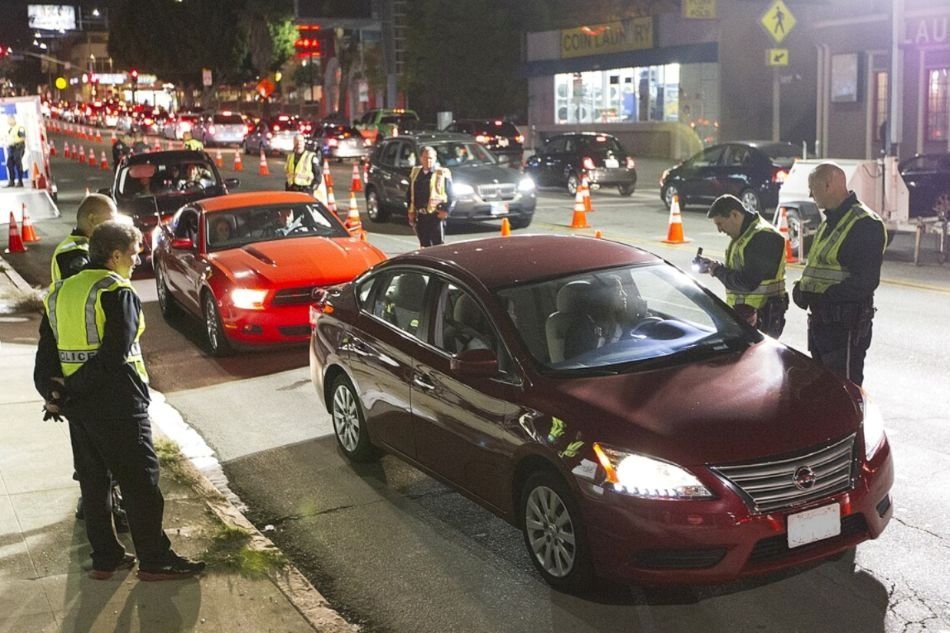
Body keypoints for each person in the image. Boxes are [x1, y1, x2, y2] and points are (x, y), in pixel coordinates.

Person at [34, 221, 205, 581]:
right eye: (134, 251)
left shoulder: (60, 291)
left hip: (79, 410)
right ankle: (155, 559)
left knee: (94, 483)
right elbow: (115, 353)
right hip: (118, 403)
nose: (137, 257)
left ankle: (106, 556)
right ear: (115, 255)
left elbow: (46, 354)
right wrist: (75, 387)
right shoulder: (115, 290)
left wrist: (55, 393)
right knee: (140, 482)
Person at [792, 162, 886, 386]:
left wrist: (820, 297)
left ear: (828, 185)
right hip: (822, 325)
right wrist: (801, 289)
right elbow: (818, 268)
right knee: (826, 392)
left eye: (812, 188)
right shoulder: (830, 222)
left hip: (844, 329)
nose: (810, 194)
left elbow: (864, 282)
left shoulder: (864, 223)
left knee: (844, 393)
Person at [696, 194, 788, 337]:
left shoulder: (763, 236)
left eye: (720, 223)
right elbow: (739, 271)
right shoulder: (744, 235)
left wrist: (717, 270)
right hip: (747, 317)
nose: (719, 230)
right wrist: (712, 266)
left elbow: (747, 281)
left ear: (734, 215)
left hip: (763, 318)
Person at [51, 193, 118, 282]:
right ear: (92, 220)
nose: (114, 226)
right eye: (110, 220)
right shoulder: (75, 254)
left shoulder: (76, 246)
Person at [407, 146, 455, 247]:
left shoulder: (441, 173)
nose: (428, 160)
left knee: (438, 246)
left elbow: (451, 195)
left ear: (435, 158)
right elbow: (410, 194)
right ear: (420, 158)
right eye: (425, 158)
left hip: (435, 215)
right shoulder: (415, 173)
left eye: (430, 158)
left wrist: (446, 211)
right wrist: (411, 212)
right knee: (424, 245)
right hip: (421, 215)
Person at [284, 134, 326, 202]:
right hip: (292, 189)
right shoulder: (290, 157)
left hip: (305, 190)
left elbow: (318, 177)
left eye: (301, 141)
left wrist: (311, 189)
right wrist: (287, 187)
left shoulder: (311, 156)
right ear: (293, 143)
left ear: (304, 143)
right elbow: (287, 174)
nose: (299, 143)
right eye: (296, 141)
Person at [5, 115, 26, 188]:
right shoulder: (11, 129)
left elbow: (23, 138)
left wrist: (14, 141)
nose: (8, 122)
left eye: (9, 120)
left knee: (18, 164)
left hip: (18, 147)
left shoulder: (20, 127)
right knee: (9, 164)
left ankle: (20, 181)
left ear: (13, 119)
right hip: (12, 148)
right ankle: (12, 181)